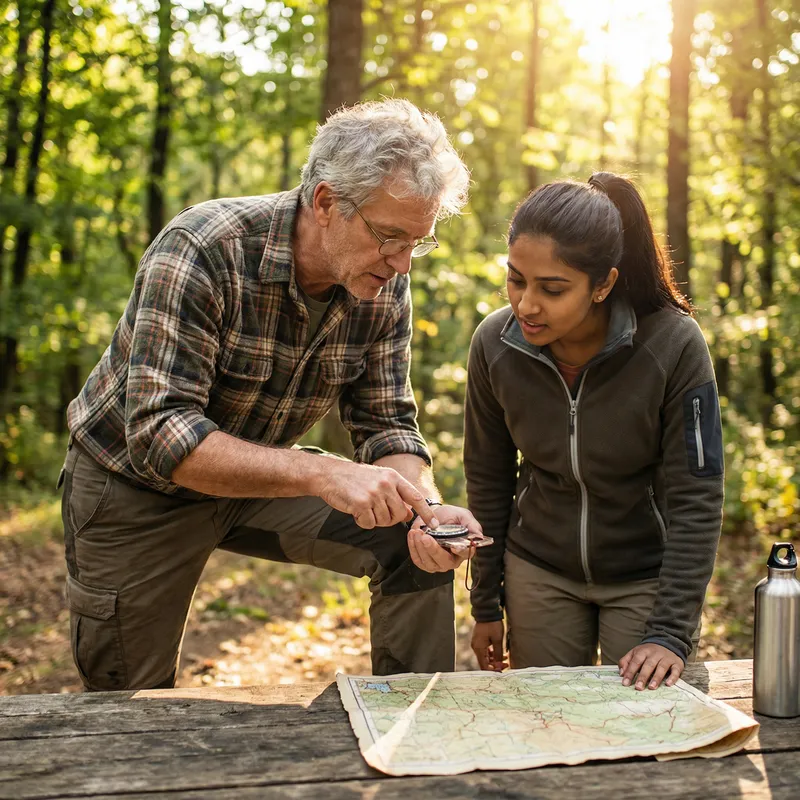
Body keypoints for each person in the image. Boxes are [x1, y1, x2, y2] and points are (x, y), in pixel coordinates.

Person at [60, 99, 480, 691]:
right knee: (131, 700)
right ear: (327, 202)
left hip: (260, 477)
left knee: (411, 545)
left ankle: (415, 734)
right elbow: (160, 435)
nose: (403, 263)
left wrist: (425, 509)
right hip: (134, 488)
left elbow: (388, 422)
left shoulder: (384, 281)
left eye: (419, 241)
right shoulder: (205, 247)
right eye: (390, 237)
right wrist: (322, 476)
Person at [465, 173, 724, 691]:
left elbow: (698, 493)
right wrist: (486, 604)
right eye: (516, 279)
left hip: (644, 578)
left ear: (603, 284)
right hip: (538, 571)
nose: (526, 304)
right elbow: (488, 478)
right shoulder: (494, 344)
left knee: (645, 736)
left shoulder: (673, 344)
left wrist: (670, 634)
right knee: (546, 727)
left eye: (552, 288)